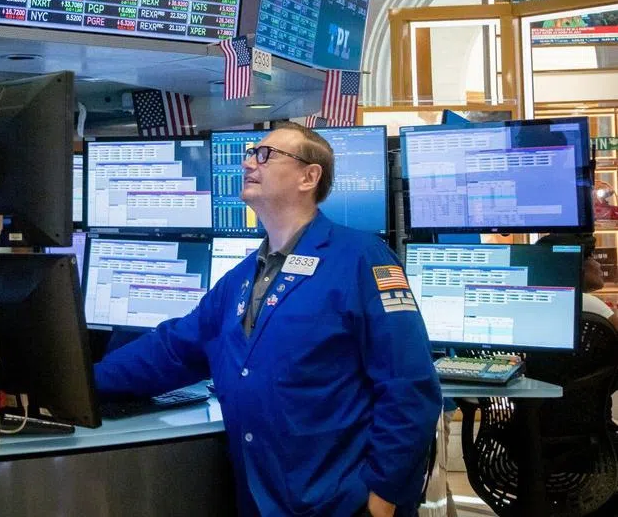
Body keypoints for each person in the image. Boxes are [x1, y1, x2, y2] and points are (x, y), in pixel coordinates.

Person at [95, 123, 442, 516]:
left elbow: (409, 384)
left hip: (340, 501)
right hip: (264, 500)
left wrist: (385, 495)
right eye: (250, 153)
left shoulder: (361, 258)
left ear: (309, 176)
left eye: (265, 154)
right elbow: (173, 349)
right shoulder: (242, 278)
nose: (248, 163)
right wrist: (84, 382)